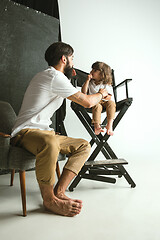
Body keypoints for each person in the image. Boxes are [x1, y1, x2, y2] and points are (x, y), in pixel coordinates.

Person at [11, 42, 108, 217]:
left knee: (83, 145)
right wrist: (102, 94)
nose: (73, 62)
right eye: (71, 58)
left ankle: (59, 192)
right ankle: (49, 200)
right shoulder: (53, 76)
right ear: (64, 59)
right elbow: (87, 101)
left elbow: (80, 96)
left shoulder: (57, 78)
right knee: (50, 142)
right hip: (25, 132)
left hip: (43, 132)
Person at [81, 61, 116, 136]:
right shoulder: (90, 82)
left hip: (105, 101)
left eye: (95, 70)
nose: (91, 71)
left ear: (102, 74)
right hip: (94, 102)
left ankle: (109, 124)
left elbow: (110, 96)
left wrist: (104, 95)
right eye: (92, 69)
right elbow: (83, 92)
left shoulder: (106, 83)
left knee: (112, 103)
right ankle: (97, 126)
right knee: (97, 106)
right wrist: (87, 80)